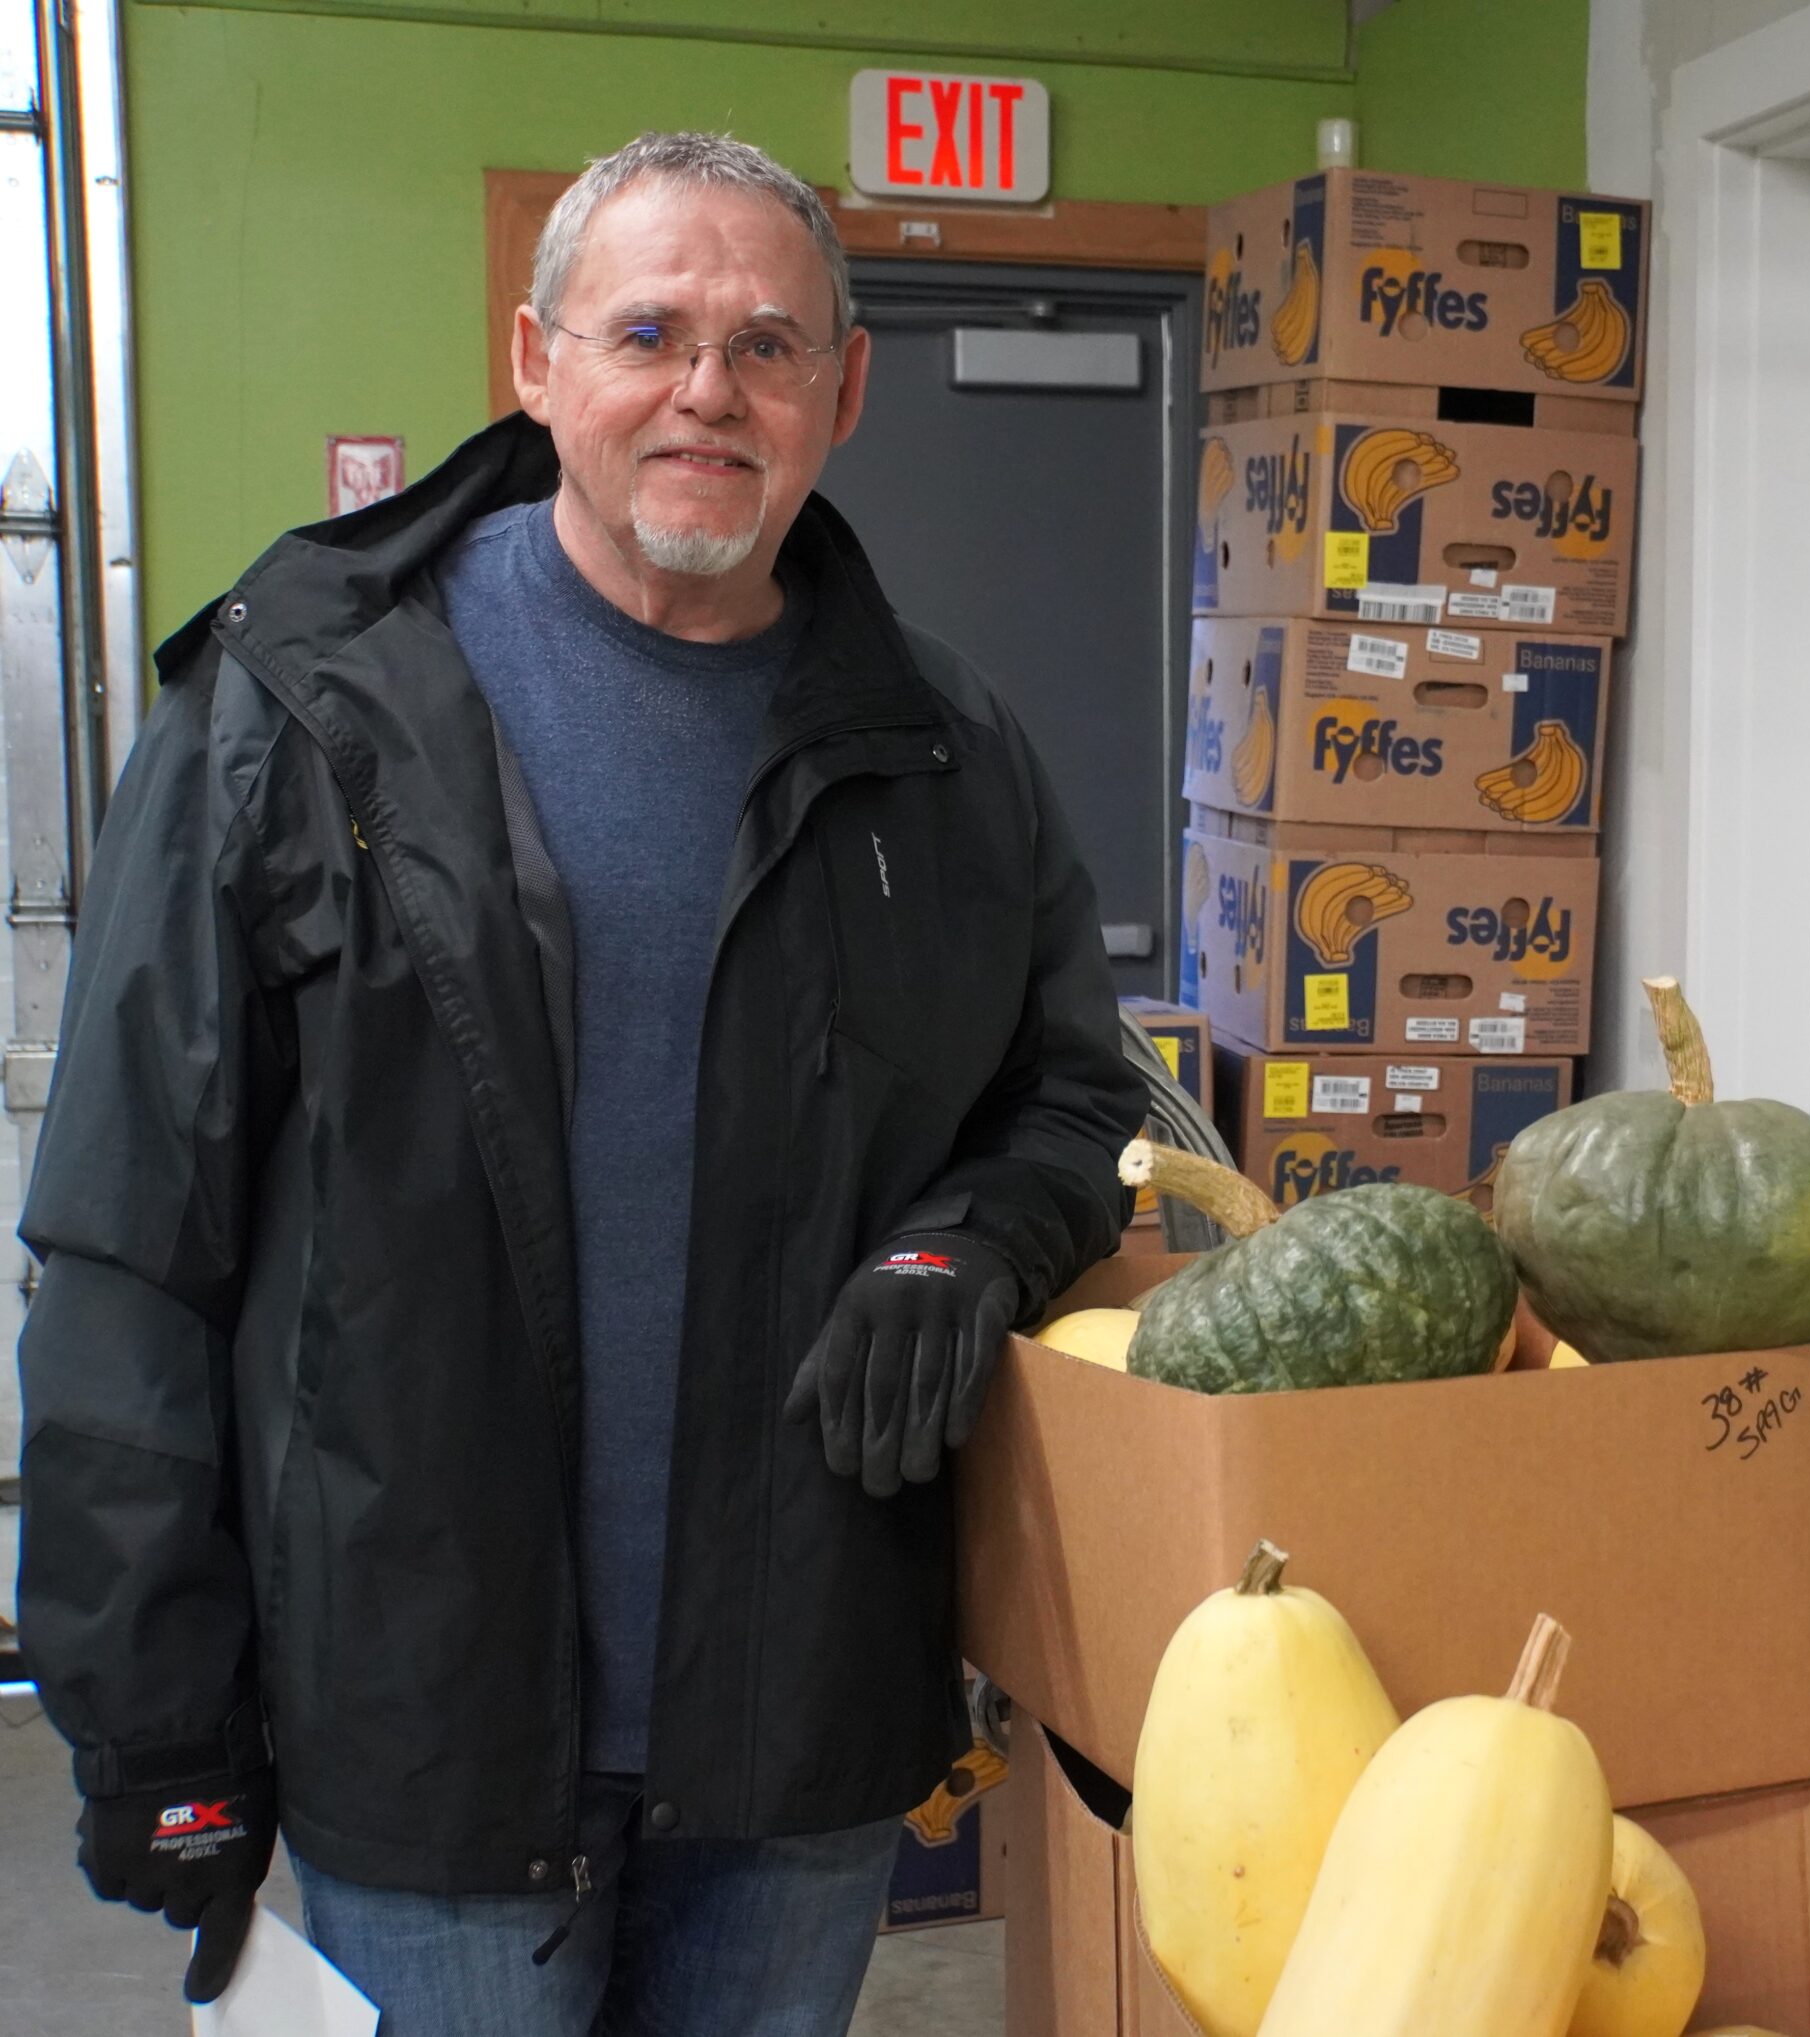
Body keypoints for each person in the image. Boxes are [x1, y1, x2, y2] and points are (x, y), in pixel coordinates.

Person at [14, 130, 1144, 2033]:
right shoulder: (297, 714)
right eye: (651, 331)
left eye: (770, 346)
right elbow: (133, 1247)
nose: (709, 389)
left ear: (843, 394)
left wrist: (972, 1246)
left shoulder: (945, 755)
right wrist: (157, 1722)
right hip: (426, 1737)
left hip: (801, 1731)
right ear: (538, 365)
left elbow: (1071, 1103)